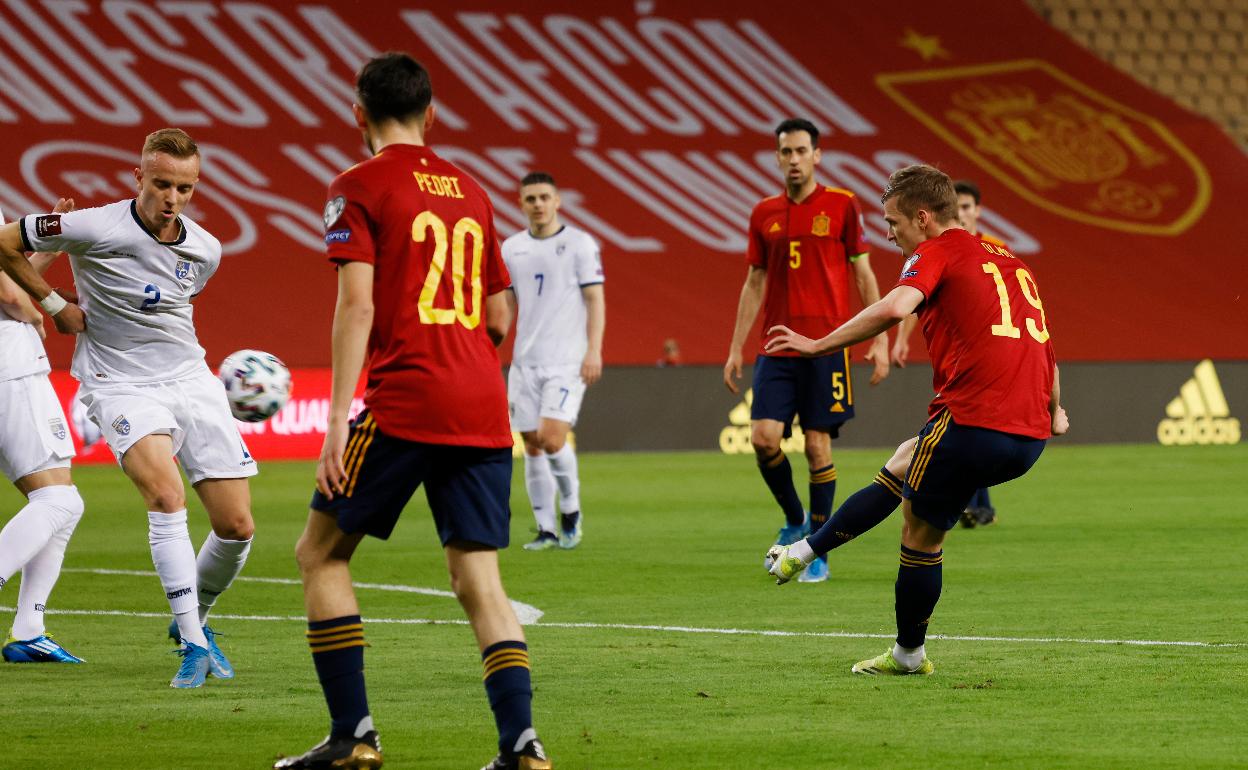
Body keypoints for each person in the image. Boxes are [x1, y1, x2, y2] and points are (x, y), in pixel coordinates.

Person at [276, 53, 552, 770]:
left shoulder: (356, 186)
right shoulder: (474, 191)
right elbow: (498, 314)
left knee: (320, 553)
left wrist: (337, 418)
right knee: (479, 581)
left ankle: (353, 737)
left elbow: (357, 304)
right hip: (480, 404)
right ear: (432, 115)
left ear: (356, 112)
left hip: (404, 400)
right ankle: (522, 747)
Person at [764, 164, 1067, 676]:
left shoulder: (938, 250)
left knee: (920, 533)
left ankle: (902, 648)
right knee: (908, 459)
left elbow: (894, 307)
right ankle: (806, 550)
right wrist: (1055, 409)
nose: (889, 233)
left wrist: (818, 344)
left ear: (923, 218)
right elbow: (1041, 342)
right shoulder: (1011, 261)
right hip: (1031, 435)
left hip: (975, 422)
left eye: (893, 222)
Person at [0, 129, 257, 689]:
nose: (172, 197)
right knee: (164, 496)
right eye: (161, 183)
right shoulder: (95, 224)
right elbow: (2, 241)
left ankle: (195, 621)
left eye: (184, 188)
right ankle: (192, 645)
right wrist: (54, 303)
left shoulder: (205, 248)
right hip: (118, 383)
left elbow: (174, 308)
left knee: (236, 526)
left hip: (191, 380)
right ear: (138, 177)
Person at [723, 118, 890, 584]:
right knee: (762, 439)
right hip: (776, 345)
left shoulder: (842, 206)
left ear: (817, 155)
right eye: (785, 152)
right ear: (777, 157)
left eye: (801, 151)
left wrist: (879, 336)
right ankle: (795, 517)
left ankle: (817, 548)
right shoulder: (763, 213)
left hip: (828, 346)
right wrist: (736, 346)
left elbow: (863, 273)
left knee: (817, 447)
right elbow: (754, 281)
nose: (793, 159)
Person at [891, 179, 1007, 528]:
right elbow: (916, 301)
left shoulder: (994, 249)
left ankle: (973, 504)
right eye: (960, 206)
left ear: (978, 212)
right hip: (955, 355)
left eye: (969, 206)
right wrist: (901, 340)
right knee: (967, 428)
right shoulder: (937, 252)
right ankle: (973, 505)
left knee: (971, 427)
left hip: (987, 358)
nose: (965, 212)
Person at [0, 201, 86, 664]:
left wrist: (44, 254)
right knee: (60, 501)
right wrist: (39, 314)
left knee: (59, 503)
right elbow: (8, 294)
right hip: (9, 368)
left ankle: (30, 629)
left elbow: (7, 275)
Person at [502, 172, 605, 551]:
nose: (539, 204)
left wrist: (593, 349)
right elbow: (507, 305)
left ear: (558, 200)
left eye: (545, 197)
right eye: (531, 198)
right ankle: (546, 529)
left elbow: (595, 299)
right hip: (525, 362)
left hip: (566, 361)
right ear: (521, 203)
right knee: (530, 443)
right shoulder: (512, 248)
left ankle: (572, 510)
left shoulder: (579, 244)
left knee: (551, 437)